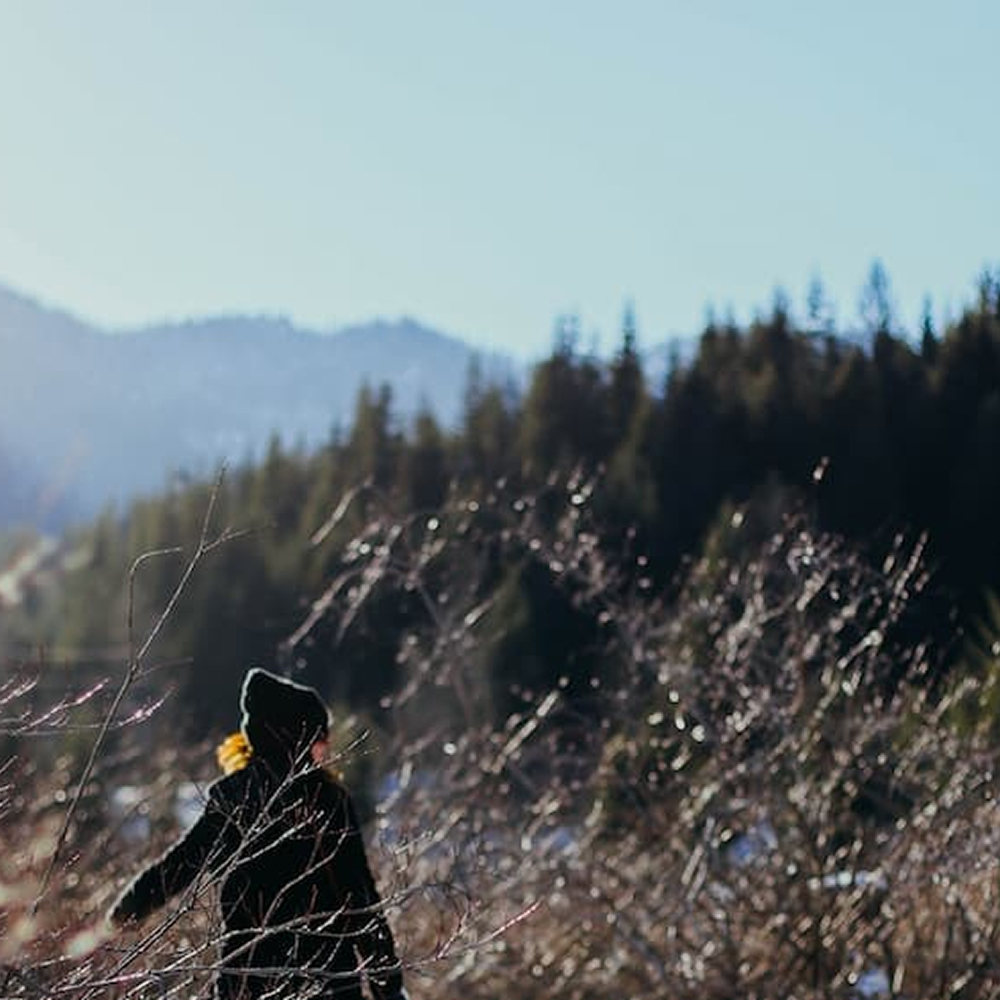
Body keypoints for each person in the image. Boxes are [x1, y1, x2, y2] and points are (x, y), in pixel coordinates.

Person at [110, 668, 408, 1000]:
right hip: (326, 981)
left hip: (248, 981)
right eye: (319, 738)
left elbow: (179, 865)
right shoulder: (326, 800)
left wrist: (124, 914)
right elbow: (359, 897)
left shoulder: (234, 796)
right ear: (295, 737)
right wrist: (388, 986)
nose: (325, 749)